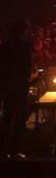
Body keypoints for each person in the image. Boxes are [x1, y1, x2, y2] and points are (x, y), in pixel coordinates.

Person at [0, 20, 32, 159]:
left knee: (6, 118)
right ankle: (15, 150)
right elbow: (26, 68)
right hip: (19, 87)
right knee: (20, 118)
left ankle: (2, 149)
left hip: (6, 87)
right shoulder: (24, 47)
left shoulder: (4, 46)